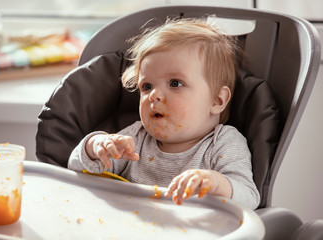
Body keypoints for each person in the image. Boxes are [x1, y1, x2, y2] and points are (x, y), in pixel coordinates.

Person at [68, 18, 260, 210]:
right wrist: (94, 147)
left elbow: (249, 198)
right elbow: (77, 170)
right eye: (147, 86)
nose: (154, 95)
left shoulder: (223, 143)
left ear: (217, 101)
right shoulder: (135, 139)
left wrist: (217, 183)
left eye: (175, 83)